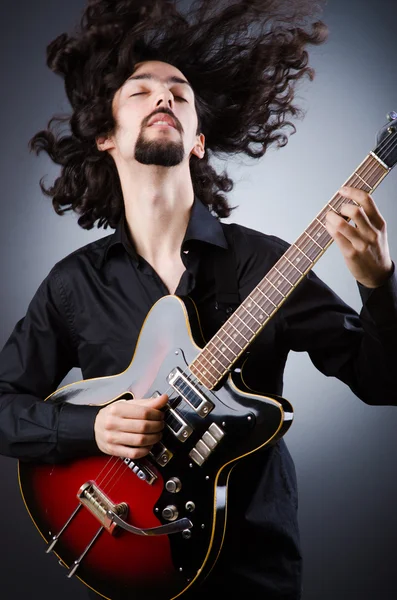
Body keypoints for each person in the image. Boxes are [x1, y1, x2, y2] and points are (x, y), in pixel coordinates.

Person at [0, 1, 396, 599]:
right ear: (106, 137)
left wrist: (378, 284)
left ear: (200, 142)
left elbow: (383, 381)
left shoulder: (268, 264)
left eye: (180, 93)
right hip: (126, 549)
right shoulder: (73, 284)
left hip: (254, 568)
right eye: (141, 91)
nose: (164, 97)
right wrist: (93, 427)